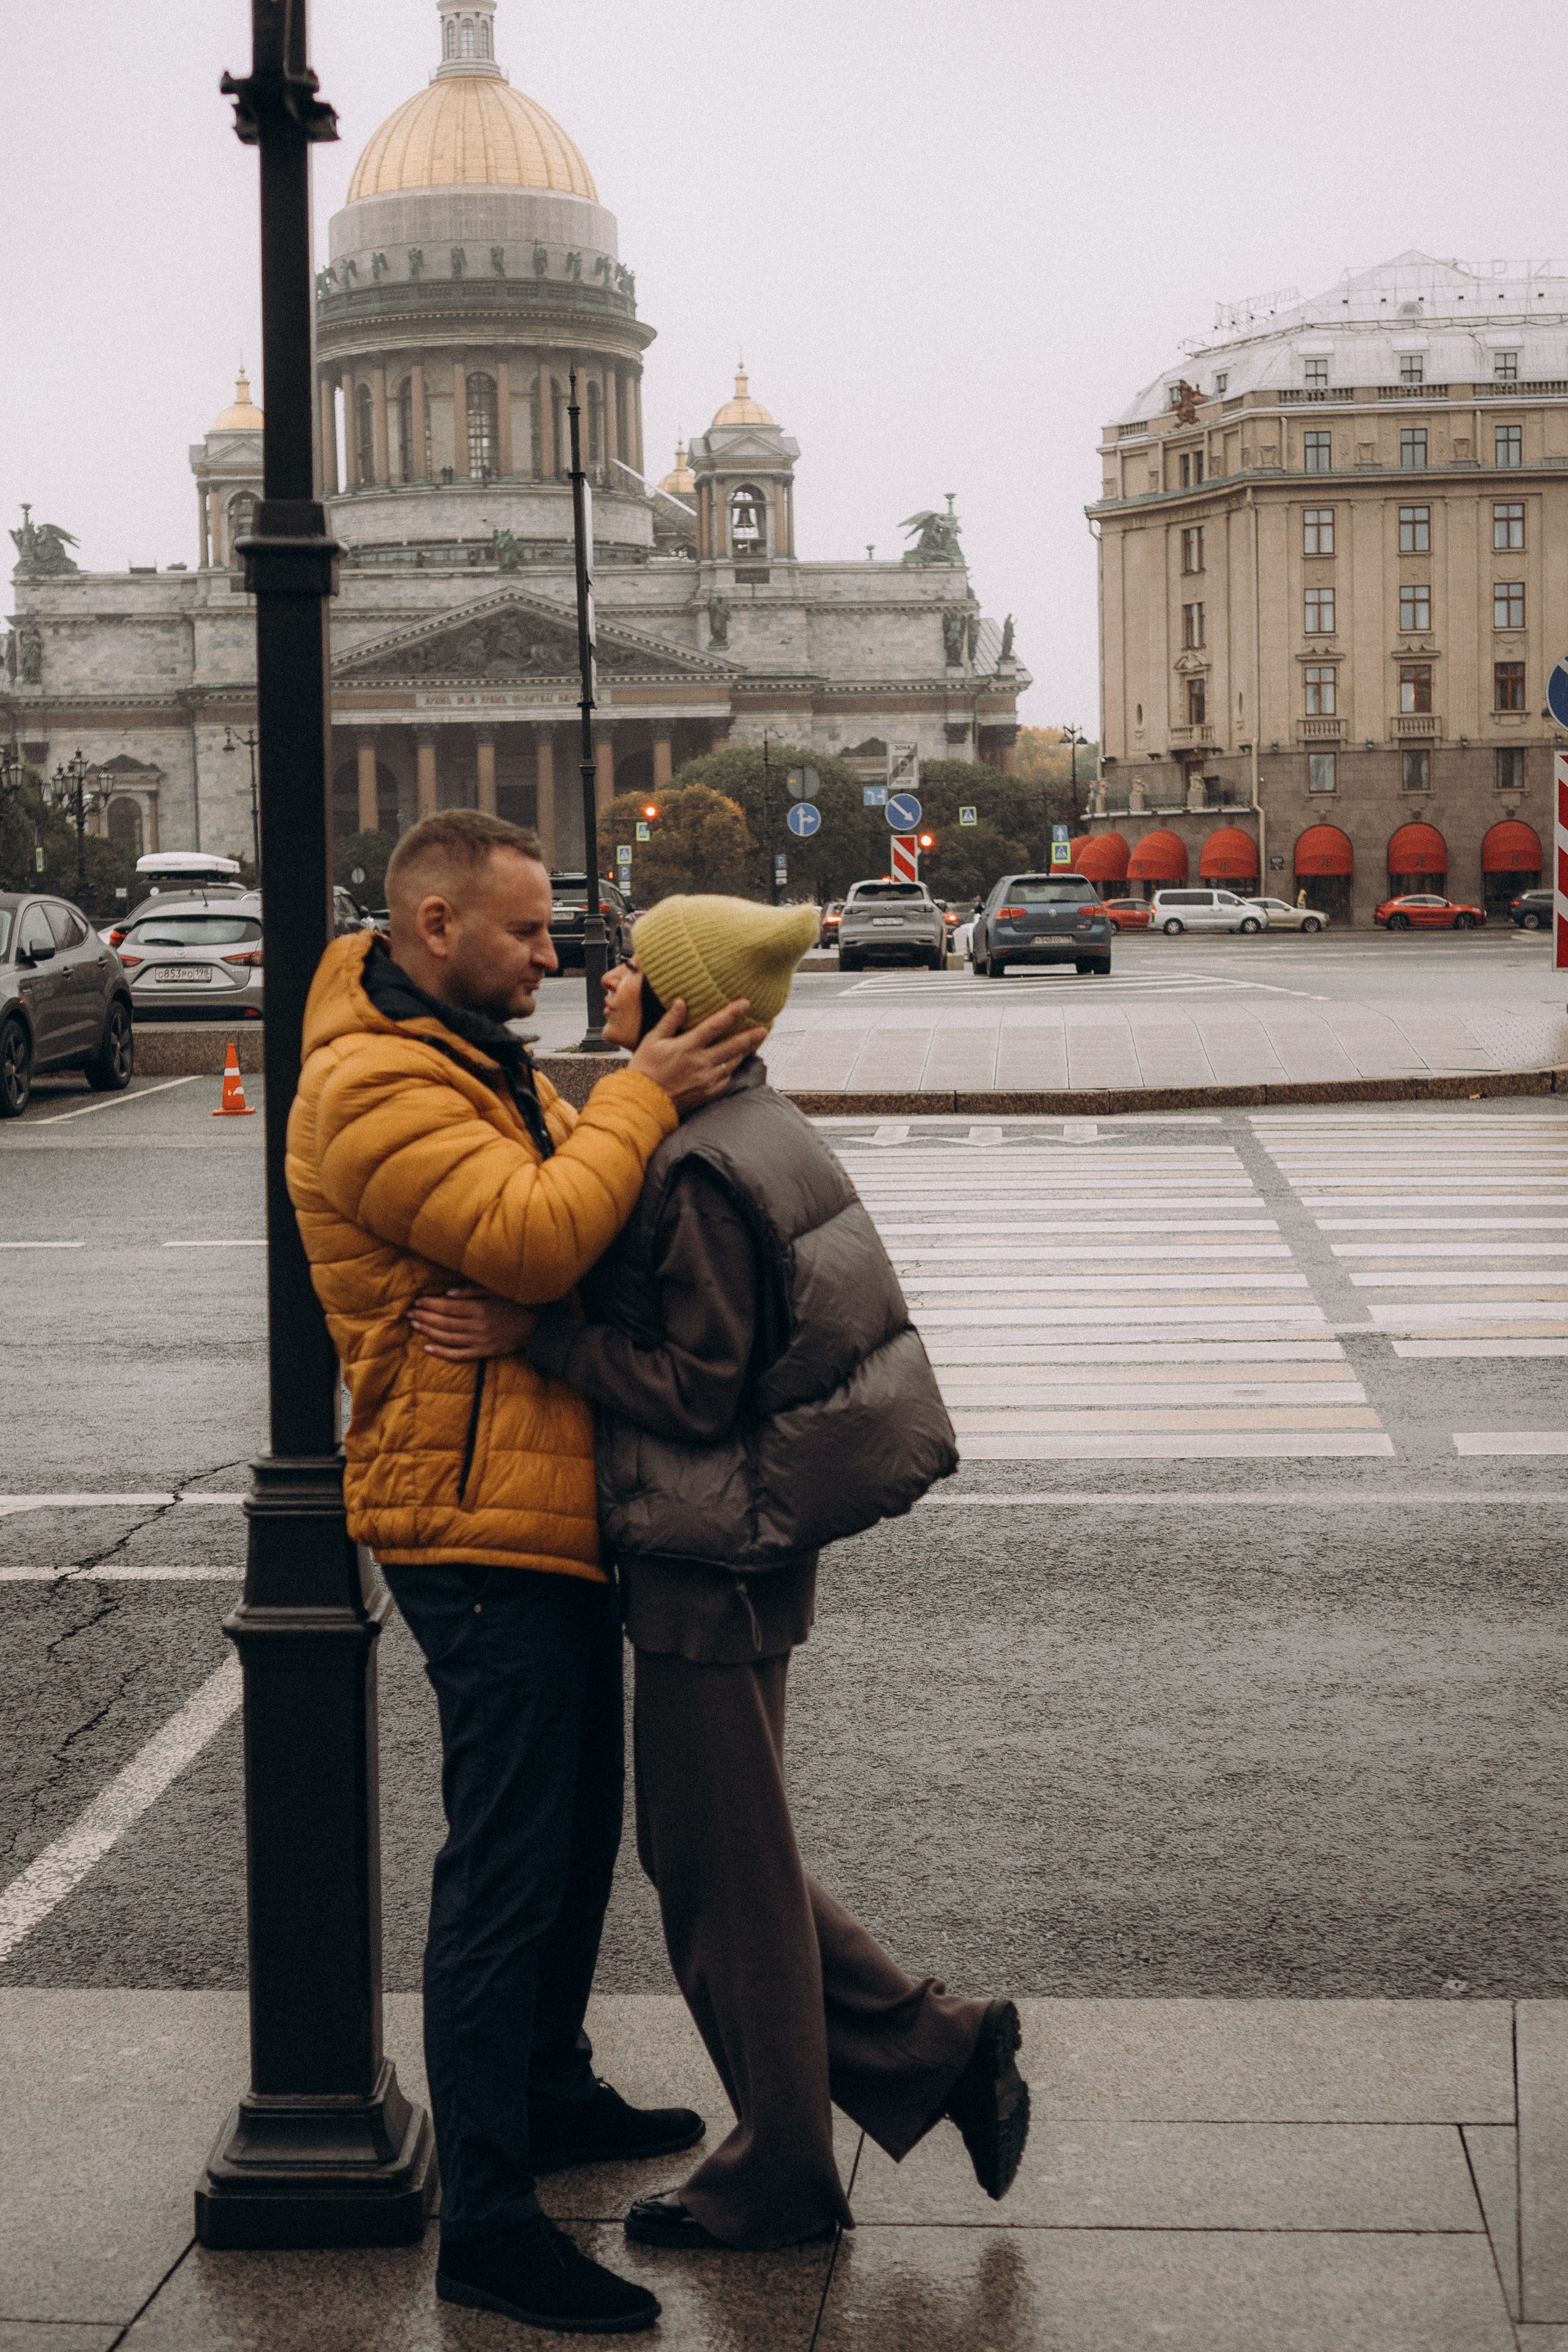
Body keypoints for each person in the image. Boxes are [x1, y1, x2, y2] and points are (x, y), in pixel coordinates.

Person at [410, 895, 1031, 2256]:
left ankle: (777, 2180)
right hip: (744, 1543)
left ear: (688, 1005)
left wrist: (534, 1336)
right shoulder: (747, 1121)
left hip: (708, 1541)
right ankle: (932, 2051)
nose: (609, 972)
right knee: (727, 1857)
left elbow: (694, 1390)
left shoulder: (696, 1166)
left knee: (717, 1880)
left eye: (638, 963)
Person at [286, 813, 766, 2335]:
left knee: (566, 1844)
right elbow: (539, 1234)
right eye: (521, 932)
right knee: (502, 1876)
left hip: (537, 1496)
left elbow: (560, 1213)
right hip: (471, 1517)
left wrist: (610, 1103)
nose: (551, 953)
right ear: (433, 927)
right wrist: (632, 1093)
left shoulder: (457, 1057)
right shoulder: (369, 1080)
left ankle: (547, 2094)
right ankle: (489, 2222)